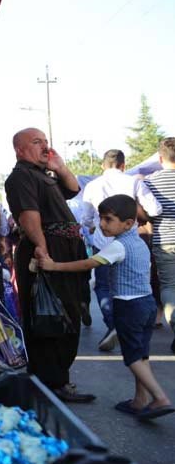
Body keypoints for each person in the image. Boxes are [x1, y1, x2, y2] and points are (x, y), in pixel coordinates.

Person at [39, 195, 173, 419]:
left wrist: (55, 266)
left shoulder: (118, 246)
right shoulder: (139, 242)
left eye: (108, 219)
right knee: (141, 354)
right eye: (101, 218)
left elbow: (88, 263)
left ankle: (160, 398)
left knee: (132, 356)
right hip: (147, 304)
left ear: (128, 223)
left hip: (129, 306)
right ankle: (140, 399)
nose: (102, 224)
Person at [4, 127, 94, 403]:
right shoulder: (20, 176)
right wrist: (42, 247)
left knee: (68, 312)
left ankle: (56, 379)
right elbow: (28, 216)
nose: (45, 146)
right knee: (48, 316)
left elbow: (73, 189)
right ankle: (50, 382)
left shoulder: (45, 174)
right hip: (47, 249)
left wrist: (60, 167)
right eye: (37, 142)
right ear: (20, 150)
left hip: (65, 249)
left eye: (45, 141)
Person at [82, 149, 161, 351]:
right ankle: (131, 323)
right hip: (129, 240)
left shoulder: (92, 185)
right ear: (123, 165)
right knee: (133, 283)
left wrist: (93, 225)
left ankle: (113, 323)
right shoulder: (133, 182)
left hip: (103, 242)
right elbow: (155, 209)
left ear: (103, 165)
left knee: (103, 286)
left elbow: (86, 218)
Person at [143, 137, 175, 354]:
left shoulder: (149, 182)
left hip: (165, 241)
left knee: (169, 287)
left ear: (160, 158)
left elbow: (146, 212)